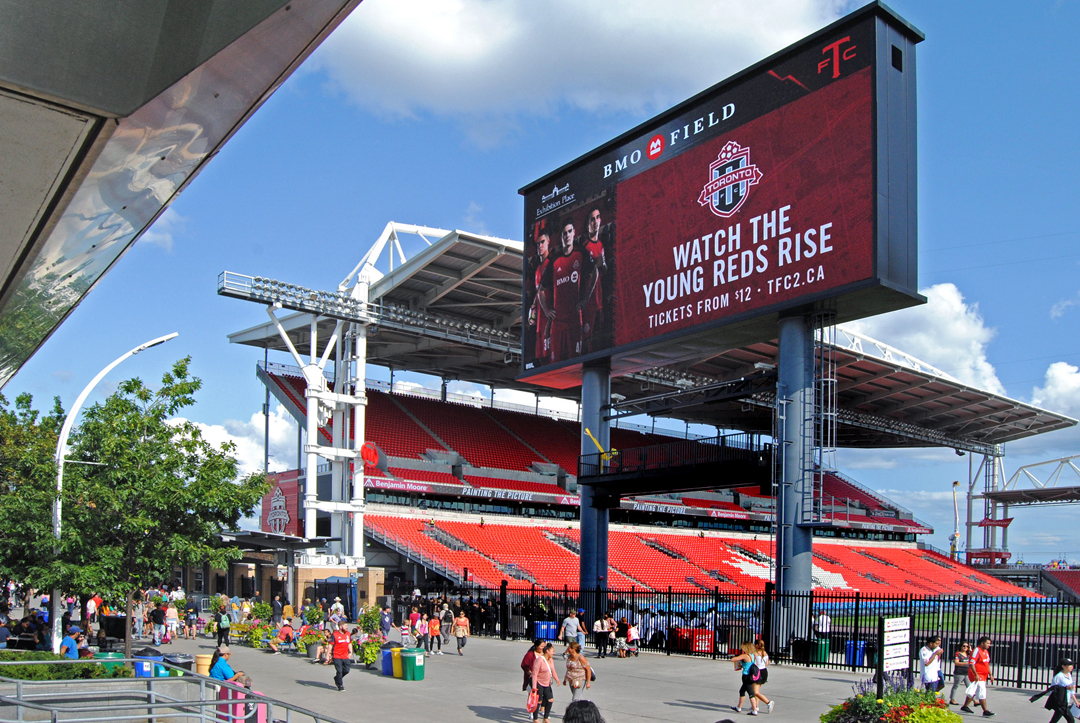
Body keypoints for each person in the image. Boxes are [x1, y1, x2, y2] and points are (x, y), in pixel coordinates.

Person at [545, 221, 585, 362]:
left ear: (574, 232)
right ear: (561, 237)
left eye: (569, 232)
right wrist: (546, 310)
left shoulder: (581, 254)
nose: (567, 235)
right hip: (558, 321)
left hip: (574, 318)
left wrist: (585, 300)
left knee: (576, 361)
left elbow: (595, 274)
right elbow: (541, 289)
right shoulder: (555, 261)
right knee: (555, 362)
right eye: (564, 233)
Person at [961, 636, 995, 717]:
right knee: (982, 691)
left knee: (973, 690)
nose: (989, 645)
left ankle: (965, 706)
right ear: (982, 643)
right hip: (977, 675)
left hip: (983, 675)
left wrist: (990, 674)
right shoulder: (976, 651)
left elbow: (986, 664)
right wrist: (976, 674)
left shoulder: (986, 652)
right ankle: (985, 711)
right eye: (987, 643)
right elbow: (972, 663)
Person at [1038, 658, 1079, 723]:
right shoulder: (1059, 677)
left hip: (1065, 703)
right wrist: (1058, 702)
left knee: (1070, 721)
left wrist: (1076, 702)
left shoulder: (1069, 676)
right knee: (1069, 720)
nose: (1072, 667)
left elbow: (1071, 690)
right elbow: (1053, 690)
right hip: (1060, 704)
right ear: (1063, 666)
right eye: (1069, 665)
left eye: (1072, 665)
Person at [531, 642, 561, 722]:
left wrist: (557, 679)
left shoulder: (550, 660)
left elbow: (553, 670)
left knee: (550, 699)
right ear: (547, 651)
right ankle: (535, 719)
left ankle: (545, 718)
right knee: (539, 701)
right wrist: (534, 687)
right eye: (553, 651)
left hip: (547, 683)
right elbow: (534, 674)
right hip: (538, 682)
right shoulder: (539, 660)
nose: (554, 653)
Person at [732, 642, 761, 715]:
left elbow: (733, 659)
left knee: (751, 693)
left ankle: (754, 710)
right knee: (742, 691)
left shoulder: (745, 656)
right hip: (751, 676)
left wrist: (735, 657)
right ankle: (739, 707)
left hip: (746, 676)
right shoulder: (752, 655)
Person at [752, 639, 774, 713]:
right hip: (764, 671)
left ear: (757, 645)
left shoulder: (755, 653)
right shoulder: (764, 653)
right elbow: (767, 663)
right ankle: (756, 706)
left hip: (758, 672)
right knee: (757, 690)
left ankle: (768, 702)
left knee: (755, 692)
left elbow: (753, 663)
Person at [330, 620, 352, 692]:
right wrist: (328, 655)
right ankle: (340, 685)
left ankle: (337, 678)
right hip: (337, 656)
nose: (347, 627)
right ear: (340, 627)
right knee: (339, 671)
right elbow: (330, 645)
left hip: (345, 655)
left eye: (347, 626)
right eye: (345, 626)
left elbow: (349, 643)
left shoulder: (348, 634)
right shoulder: (335, 634)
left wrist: (351, 652)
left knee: (346, 670)